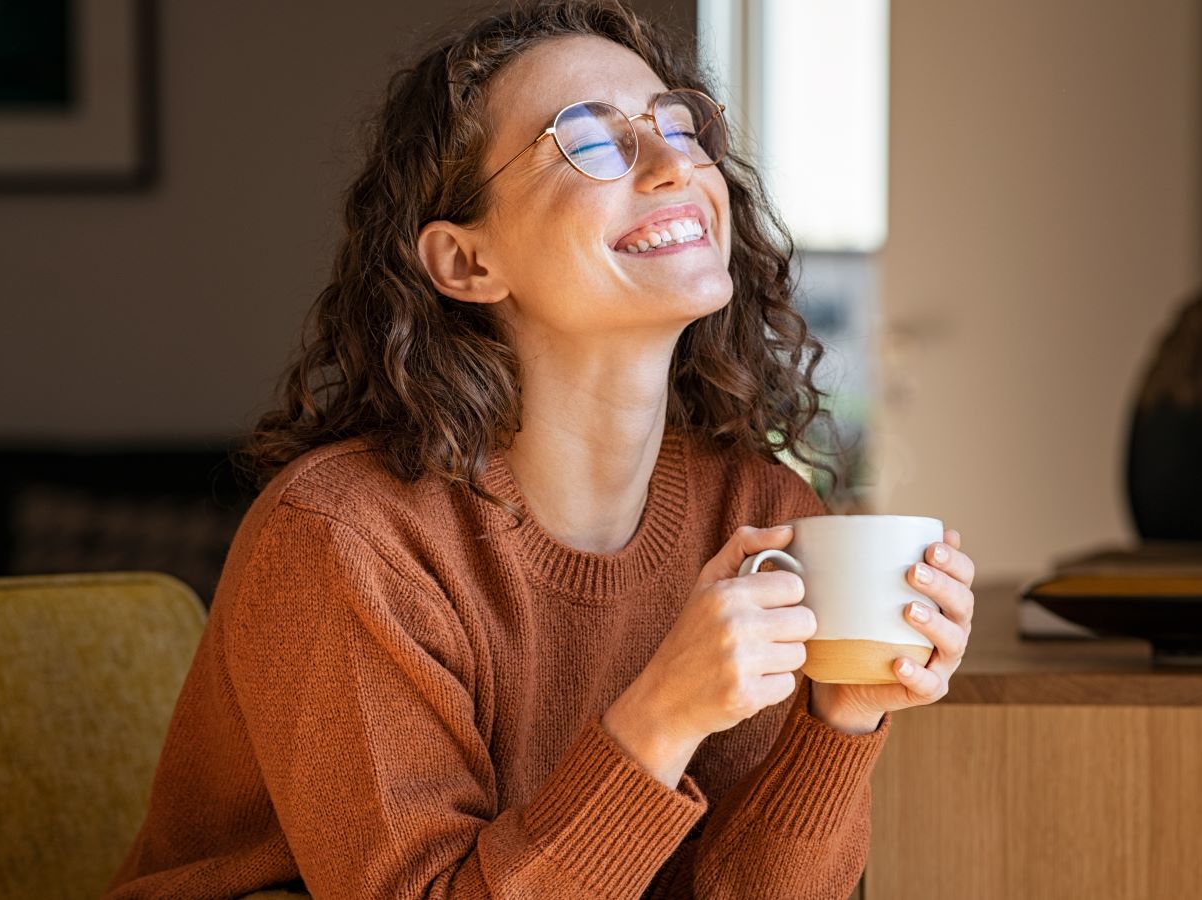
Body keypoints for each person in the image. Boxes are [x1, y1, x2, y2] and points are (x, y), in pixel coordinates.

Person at [105, 1, 976, 897]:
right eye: (590, 141)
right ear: (466, 264)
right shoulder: (345, 540)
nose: (677, 161)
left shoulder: (761, 516)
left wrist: (842, 719)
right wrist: (659, 716)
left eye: (679, 124)